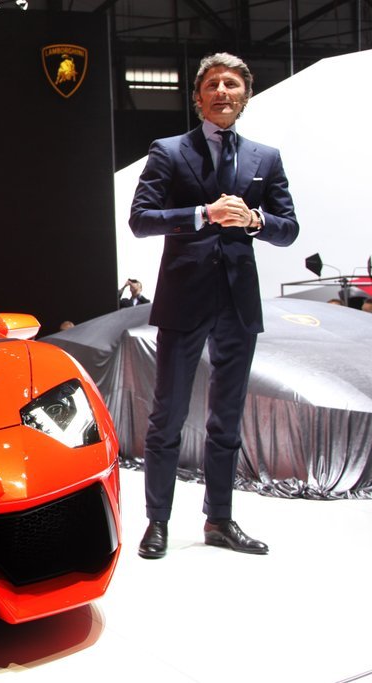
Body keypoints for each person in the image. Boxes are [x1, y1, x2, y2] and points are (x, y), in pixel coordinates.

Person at [129, 52, 299, 559]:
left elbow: (289, 229)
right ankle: (157, 522)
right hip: (185, 298)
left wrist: (255, 221)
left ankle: (219, 521)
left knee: (226, 419)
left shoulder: (266, 158)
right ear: (198, 97)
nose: (222, 91)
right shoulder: (169, 151)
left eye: (232, 84)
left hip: (238, 302)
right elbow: (141, 219)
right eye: (212, 84)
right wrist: (203, 214)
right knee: (168, 417)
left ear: (245, 96)